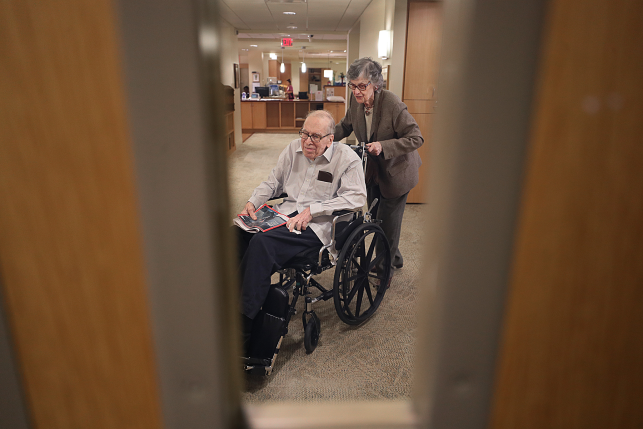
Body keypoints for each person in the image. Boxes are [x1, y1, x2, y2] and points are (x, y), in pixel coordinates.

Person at [236, 109, 366, 350]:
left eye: (315, 136)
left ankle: (244, 325)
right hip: (286, 213)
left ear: (331, 138)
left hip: (317, 226)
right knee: (238, 234)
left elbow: (357, 198)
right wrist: (253, 202)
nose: (307, 141)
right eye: (304, 133)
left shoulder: (347, 159)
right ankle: (237, 302)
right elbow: (274, 182)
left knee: (262, 244)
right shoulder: (293, 149)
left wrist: (314, 209)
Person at [334, 57, 423, 272]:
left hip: (397, 173)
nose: (356, 91)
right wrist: (324, 137)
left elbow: (416, 138)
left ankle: (385, 271)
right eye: (352, 86)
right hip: (373, 172)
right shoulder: (356, 104)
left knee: (388, 224)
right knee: (375, 220)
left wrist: (383, 146)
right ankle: (395, 258)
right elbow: (345, 127)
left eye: (362, 86)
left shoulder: (392, 103)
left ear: (375, 84)